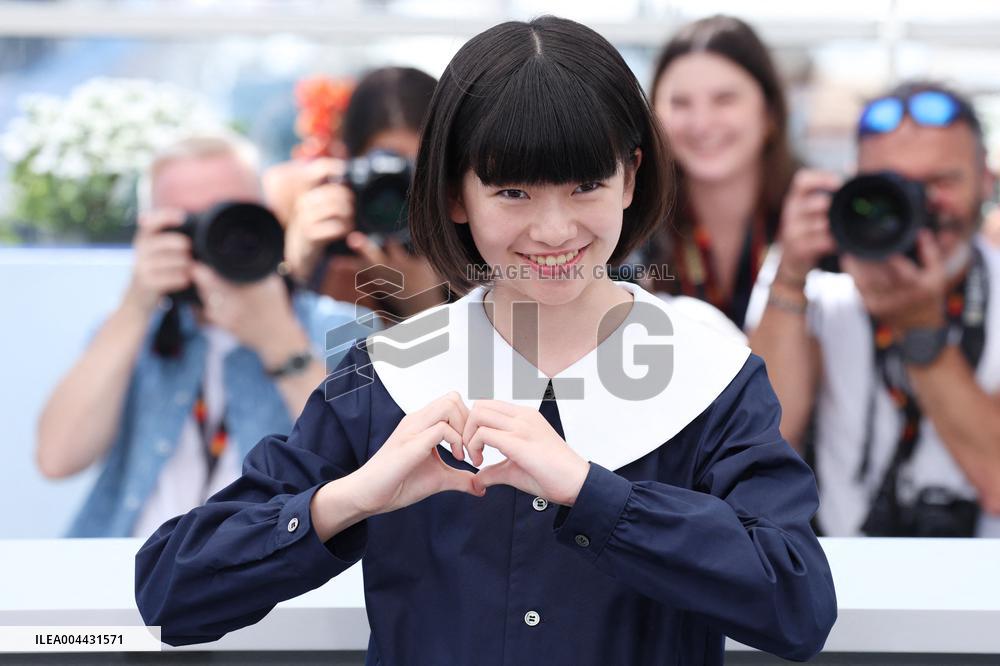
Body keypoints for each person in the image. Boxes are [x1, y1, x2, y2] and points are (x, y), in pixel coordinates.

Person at [135, 17, 836, 664]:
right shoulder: (386, 377)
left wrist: (595, 496)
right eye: (513, 193)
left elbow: (797, 606)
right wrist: (348, 499)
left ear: (631, 177)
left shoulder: (710, 375)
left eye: (586, 186)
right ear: (453, 195)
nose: (554, 230)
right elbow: (172, 590)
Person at [36, 133, 376, 538]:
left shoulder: (343, 329)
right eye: (189, 224)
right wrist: (136, 304)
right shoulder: (133, 330)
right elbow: (57, 458)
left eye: (230, 217)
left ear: (268, 220)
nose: (213, 238)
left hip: (270, 569)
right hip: (124, 562)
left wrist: (281, 344)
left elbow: (371, 476)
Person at [748, 82, 1000, 538]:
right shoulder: (813, 281)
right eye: (893, 185)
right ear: (854, 182)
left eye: (940, 182)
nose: (918, 207)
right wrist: (789, 278)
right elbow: (763, 443)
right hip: (840, 566)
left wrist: (919, 330)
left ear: (986, 179)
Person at [643, 15, 797, 330]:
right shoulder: (628, 226)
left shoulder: (819, 217)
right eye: (680, 103)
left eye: (724, 100)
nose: (701, 124)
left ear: (769, 113)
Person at [266, 67, 447, 321]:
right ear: (347, 162)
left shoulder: (468, 243)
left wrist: (425, 303)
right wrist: (295, 266)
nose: (405, 192)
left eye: (419, 169)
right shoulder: (314, 217)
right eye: (384, 170)